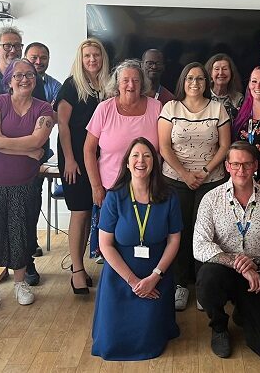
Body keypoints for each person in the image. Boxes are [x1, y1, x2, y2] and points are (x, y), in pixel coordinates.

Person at [193, 141, 260, 359]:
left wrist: (254, 264)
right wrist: (239, 263)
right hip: (222, 273)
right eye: (235, 164)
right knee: (207, 279)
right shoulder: (211, 199)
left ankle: (243, 311)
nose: (241, 170)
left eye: (246, 164)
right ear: (227, 166)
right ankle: (218, 327)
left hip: (259, 276)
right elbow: (200, 245)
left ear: (256, 165)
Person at [91, 137, 182, 360]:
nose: (141, 161)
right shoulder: (114, 196)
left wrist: (155, 276)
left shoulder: (169, 196)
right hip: (120, 277)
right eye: (135, 156)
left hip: (156, 277)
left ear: (155, 162)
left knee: (150, 343)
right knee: (111, 345)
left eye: (147, 155)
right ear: (127, 162)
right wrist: (133, 281)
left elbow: (174, 241)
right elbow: (105, 244)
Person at [0, 59, 54, 311]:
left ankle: (20, 283)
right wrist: (29, 149)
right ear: (8, 79)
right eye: (18, 74)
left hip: (24, 181)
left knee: (21, 230)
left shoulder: (44, 110)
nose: (24, 79)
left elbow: (37, 140)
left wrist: (5, 143)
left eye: (29, 74)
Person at [158, 62, 231, 311]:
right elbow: (164, 146)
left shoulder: (217, 108)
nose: (195, 83)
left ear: (206, 82)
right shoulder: (171, 107)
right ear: (183, 81)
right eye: (190, 78)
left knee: (206, 235)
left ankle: (203, 287)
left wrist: (203, 171)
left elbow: (224, 146)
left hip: (210, 181)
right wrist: (185, 174)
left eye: (200, 79)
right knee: (180, 231)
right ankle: (180, 285)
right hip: (176, 180)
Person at [85, 59, 162, 263]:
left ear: (143, 82)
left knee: (143, 241)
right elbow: (89, 149)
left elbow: (163, 149)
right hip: (111, 189)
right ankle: (116, 286)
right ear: (117, 83)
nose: (130, 85)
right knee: (111, 247)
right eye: (125, 80)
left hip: (147, 190)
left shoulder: (156, 107)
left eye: (136, 80)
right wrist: (95, 187)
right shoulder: (104, 108)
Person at [55, 39, 110, 293]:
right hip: (75, 158)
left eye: (96, 55)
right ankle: (76, 270)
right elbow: (62, 125)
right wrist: (69, 159)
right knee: (79, 211)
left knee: (89, 211)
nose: (92, 60)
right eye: (87, 55)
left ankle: (82, 265)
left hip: (100, 159)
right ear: (81, 58)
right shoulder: (71, 85)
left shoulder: (107, 85)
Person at [23, 41, 60, 263]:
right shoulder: (13, 83)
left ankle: (29, 244)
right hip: (9, 155)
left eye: (43, 58)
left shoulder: (54, 85)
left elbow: (54, 117)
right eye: (34, 57)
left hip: (39, 152)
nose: (39, 62)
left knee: (32, 201)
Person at [205, 53, 244, 122]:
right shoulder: (203, 96)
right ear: (210, 73)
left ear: (231, 73)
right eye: (217, 69)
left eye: (225, 69)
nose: (221, 73)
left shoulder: (238, 99)